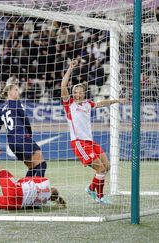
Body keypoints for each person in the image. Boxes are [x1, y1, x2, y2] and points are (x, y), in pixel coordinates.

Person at [61, 60, 123, 204]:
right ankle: (100, 197)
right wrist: (70, 68)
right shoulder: (69, 104)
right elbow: (64, 85)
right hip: (79, 143)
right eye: (75, 92)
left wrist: (117, 101)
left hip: (90, 142)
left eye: (80, 92)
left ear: (84, 93)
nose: (78, 94)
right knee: (100, 169)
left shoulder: (88, 104)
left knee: (107, 167)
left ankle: (91, 188)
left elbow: (101, 104)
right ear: (73, 93)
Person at [0, 83, 47, 177]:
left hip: (12, 144)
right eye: (16, 90)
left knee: (32, 167)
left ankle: (26, 188)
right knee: (42, 164)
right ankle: (39, 188)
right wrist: (30, 134)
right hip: (22, 138)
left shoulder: (1, 109)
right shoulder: (17, 103)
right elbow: (25, 119)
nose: (18, 92)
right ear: (9, 92)